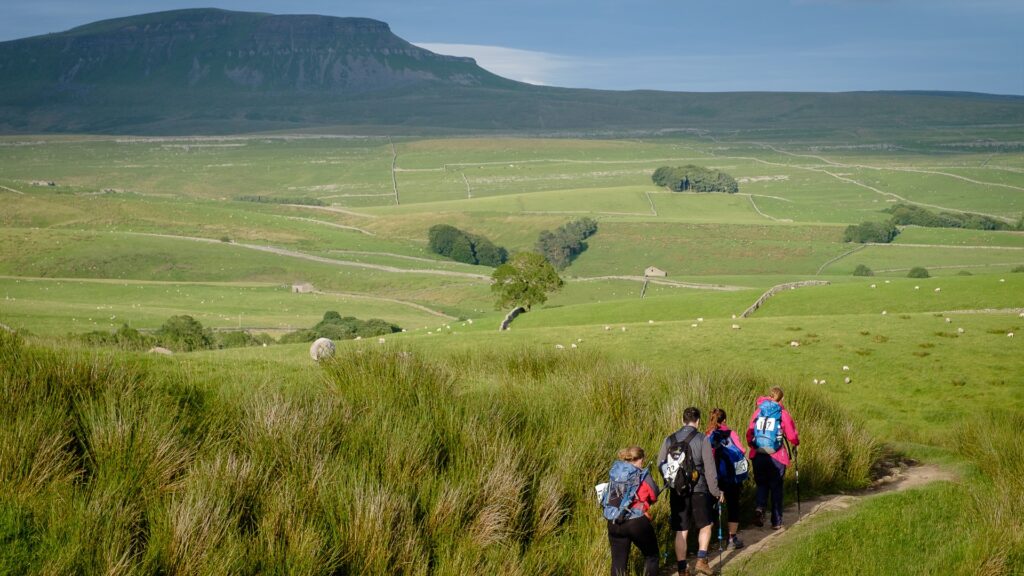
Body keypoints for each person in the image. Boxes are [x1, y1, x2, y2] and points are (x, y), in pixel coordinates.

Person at [658, 407, 722, 576]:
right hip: (699, 488)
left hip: (677, 490)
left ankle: (681, 568)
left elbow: (660, 464)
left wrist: (671, 481)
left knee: (681, 529)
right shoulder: (702, 439)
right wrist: (715, 491)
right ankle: (701, 560)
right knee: (706, 524)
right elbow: (710, 468)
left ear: (682, 420)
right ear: (698, 421)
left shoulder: (669, 439)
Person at [745, 386, 800, 530]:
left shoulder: (759, 410)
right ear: (782, 399)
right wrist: (795, 443)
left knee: (762, 484)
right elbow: (792, 436)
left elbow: (749, 433)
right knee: (776, 488)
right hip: (776, 456)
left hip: (758, 454)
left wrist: (753, 446)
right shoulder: (782, 413)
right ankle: (776, 521)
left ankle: (760, 508)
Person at [605, 446, 660, 576]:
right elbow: (654, 494)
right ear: (640, 459)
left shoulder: (615, 472)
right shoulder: (642, 474)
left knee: (618, 563)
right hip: (635, 521)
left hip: (614, 521)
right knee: (652, 555)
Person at [706, 407, 746, 549]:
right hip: (730, 476)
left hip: (713, 477)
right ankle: (731, 538)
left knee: (711, 508)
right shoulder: (731, 433)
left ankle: (707, 542)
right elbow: (742, 450)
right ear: (725, 420)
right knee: (733, 506)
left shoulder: (707, 435)